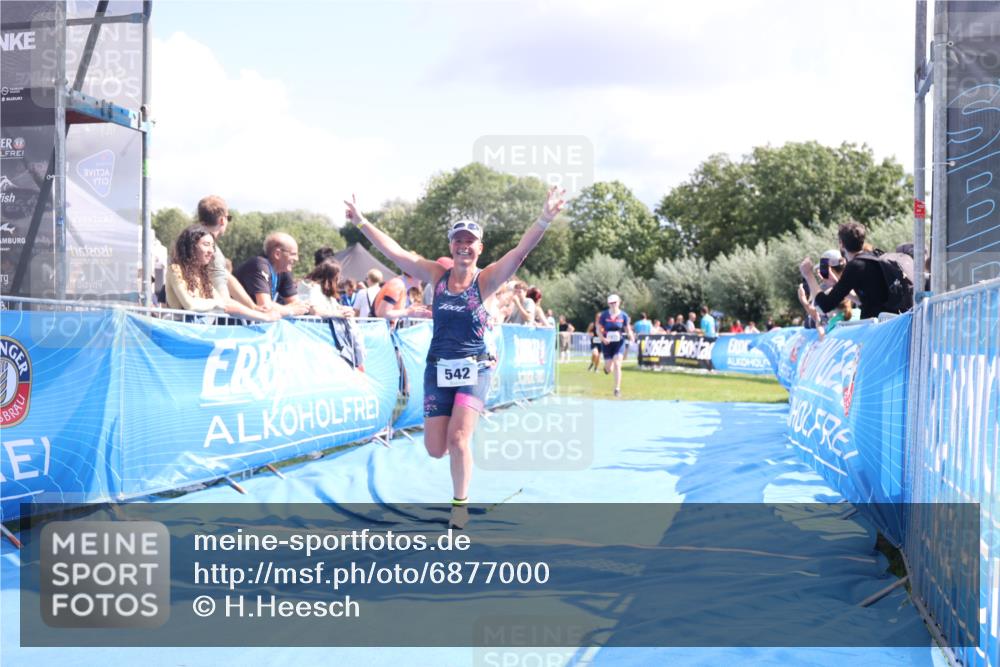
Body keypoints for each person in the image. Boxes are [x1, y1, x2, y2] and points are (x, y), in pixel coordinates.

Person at [345, 187, 566, 527]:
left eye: (470, 241)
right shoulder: (437, 275)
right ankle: (455, 448)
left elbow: (520, 252)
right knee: (436, 448)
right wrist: (361, 222)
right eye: (458, 241)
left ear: (480, 248)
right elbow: (397, 253)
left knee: (459, 438)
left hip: (475, 368)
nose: (464, 246)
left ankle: (459, 506)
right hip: (438, 368)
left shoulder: (488, 278)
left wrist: (545, 218)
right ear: (451, 246)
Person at [165, 225, 278, 322]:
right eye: (206, 244)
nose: (211, 251)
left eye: (212, 246)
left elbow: (225, 303)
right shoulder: (175, 269)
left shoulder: (203, 275)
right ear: (190, 247)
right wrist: (215, 303)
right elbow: (191, 305)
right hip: (181, 337)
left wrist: (257, 312)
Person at [800, 221, 898, 319]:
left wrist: (809, 275)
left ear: (841, 244)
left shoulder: (855, 266)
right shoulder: (875, 256)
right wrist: (836, 284)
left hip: (879, 328)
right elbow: (866, 302)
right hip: (893, 322)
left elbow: (825, 305)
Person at [195, 195, 259, 310]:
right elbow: (225, 302)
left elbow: (227, 277)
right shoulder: (212, 252)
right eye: (228, 218)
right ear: (222, 220)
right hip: (199, 323)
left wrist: (253, 306)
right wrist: (261, 316)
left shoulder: (185, 240)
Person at [234, 232, 312, 317]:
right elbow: (265, 305)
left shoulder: (283, 270)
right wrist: (291, 310)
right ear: (277, 254)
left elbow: (296, 303)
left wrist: (311, 308)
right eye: (293, 254)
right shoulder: (259, 265)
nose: (297, 259)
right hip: (232, 326)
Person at [597, 294, 634, 397]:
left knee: (618, 364)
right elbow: (598, 329)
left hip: (619, 342)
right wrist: (603, 339)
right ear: (608, 304)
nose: (613, 305)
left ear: (619, 302)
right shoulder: (604, 315)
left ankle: (617, 389)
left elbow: (627, 329)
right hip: (607, 343)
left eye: (615, 302)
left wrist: (631, 337)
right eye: (611, 303)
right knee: (609, 368)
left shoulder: (624, 315)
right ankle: (607, 367)